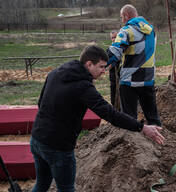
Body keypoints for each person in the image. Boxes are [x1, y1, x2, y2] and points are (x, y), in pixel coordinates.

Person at [30, 45, 164, 192]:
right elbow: (110, 114)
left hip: (37, 139)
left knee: (41, 185)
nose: (104, 71)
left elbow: (40, 102)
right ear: (89, 64)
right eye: (101, 67)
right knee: (66, 189)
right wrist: (142, 128)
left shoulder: (55, 73)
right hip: (58, 147)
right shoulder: (83, 87)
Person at [107, 4, 161, 126]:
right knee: (153, 117)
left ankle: (131, 144)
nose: (122, 20)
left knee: (129, 119)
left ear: (126, 16)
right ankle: (159, 142)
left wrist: (99, 63)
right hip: (148, 79)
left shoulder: (126, 31)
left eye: (122, 17)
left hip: (129, 81)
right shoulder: (151, 31)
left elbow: (115, 52)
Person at [107, 30, 119, 107]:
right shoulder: (110, 49)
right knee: (113, 91)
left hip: (120, 73)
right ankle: (114, 105)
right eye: (112, 38)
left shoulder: (121, 47)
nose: (114, 39)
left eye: (115, 37)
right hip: (112, 74)